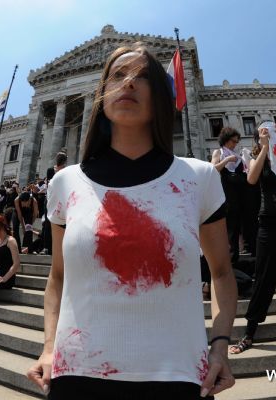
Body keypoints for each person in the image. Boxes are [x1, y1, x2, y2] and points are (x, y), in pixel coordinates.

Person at [27, 44, 237, 400]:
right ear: (102, 95)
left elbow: (220, 273)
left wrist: (219, 347)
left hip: (179, 375)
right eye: (119, 75)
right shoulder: (65, 182)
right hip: (77, 373)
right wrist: (48, 347)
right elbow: (58, 277)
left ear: (159, 97)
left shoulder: (199, 178)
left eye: (142, 77)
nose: (128, 84)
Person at [230, 122, 276, 355]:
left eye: (273, 130)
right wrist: (264, 148)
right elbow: (251, 178)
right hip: (267, 226)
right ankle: (249, 332)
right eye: (265, 131)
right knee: (263, 280)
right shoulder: (255, 156)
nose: (271, 134)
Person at [211, 127, 247, 269]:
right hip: (226, 196)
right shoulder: (218, 152)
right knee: (230, 228)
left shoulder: (236, 154)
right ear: (226, 140)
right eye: (233, 141)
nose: (235, 144)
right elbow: (213, 169)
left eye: (237, 142)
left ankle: (238, 255)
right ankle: (231, 260)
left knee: (237, 226)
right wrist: (226, 160)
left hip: (239, 195)